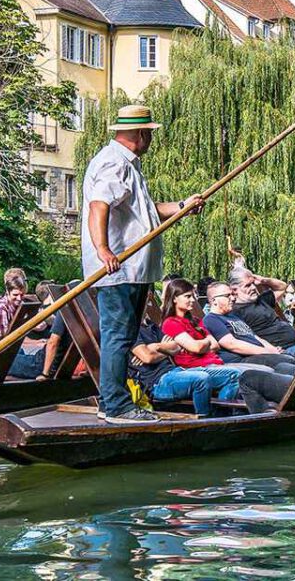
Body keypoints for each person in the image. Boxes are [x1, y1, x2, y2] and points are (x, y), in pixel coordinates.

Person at [82, 103, 204, 424]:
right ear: (140, 134)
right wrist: (103, 249)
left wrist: (182, 206)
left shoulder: (129, 166)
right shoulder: (113, 163)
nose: (152, 139)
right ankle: (117, 406)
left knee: (122, 335)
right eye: (149, 133)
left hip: (133, 270)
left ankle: (113, 402)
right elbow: (99, 206)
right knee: (118, 337)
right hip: (119, 269)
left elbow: (148, 211)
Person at [130, 321, 239, 416]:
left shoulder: (150, 325)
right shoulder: (130, 329)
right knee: (201, 378)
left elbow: (177, 347)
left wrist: (157, 347)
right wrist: (166, 349)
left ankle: (221, 417)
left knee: (233, 375)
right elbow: (148, 357)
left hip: (177, 372)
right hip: (157, 383)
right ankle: (205, 422)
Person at [203, 283, 295, 372]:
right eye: (228, 296)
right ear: (214, 300)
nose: (232, 298)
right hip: (242, 361)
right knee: (288, 363)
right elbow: (232, 344)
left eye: (232, 294)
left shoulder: (233, 316)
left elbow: (255, 337)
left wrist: (273, 349)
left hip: (261, 355)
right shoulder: (211, 319)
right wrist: (267, 352)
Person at [229, 266, 295, 359]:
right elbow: (240, 340)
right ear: (234, 290)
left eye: (253, 283)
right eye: (248, 285)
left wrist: (264, 280)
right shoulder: (235, 312)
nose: (253, 287)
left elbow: (282, 287)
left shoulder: (262, 300)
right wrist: (269, 350)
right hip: (287, 351)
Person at [0, 271, 45, 378]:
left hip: (11, 352)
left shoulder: (17, 306)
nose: (19, 298)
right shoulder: (0, 310)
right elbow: (3, 341)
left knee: (41, 360)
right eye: (15, 295)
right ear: (7, 292)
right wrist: (34, 343)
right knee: (37, 366)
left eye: (22, 295)